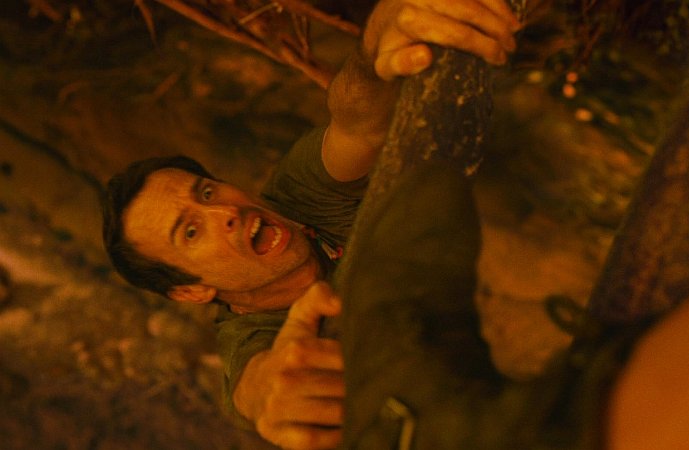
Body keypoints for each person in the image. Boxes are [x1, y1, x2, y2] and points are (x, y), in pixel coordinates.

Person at [101, 1, 522, 448]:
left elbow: (356, 122)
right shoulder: (254, 341)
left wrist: (378, 41)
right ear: (191, 290)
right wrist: (275, 398)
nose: (225, 213)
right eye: (191, 231)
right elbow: (257, 387)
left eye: (206, 193)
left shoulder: (297, 194)